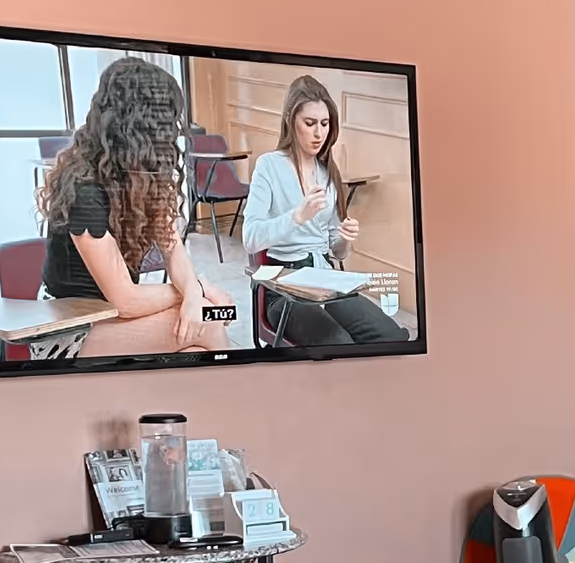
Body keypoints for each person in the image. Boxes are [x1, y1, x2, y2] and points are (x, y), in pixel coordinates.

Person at [39, 58, 233, 357]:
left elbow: (173, 249)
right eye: (167, 122)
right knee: (210, 321)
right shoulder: (85, 191)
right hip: (69, 328)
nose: (172, 134)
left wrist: (193, 291)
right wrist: (198, 290)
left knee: (212, 321)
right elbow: (126, 301)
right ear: (142, 125)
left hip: (111, 317)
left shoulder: (140, 177)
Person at [241, 75, 405, 348]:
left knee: (391, 336)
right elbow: (250, 238)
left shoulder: (328, 172)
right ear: (290, 122)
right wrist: (297, 216)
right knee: (338, 343)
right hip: (282, 290)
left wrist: (345, 238)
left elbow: (336, 252)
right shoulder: (268, 167)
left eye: (325, 124)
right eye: (310, 123)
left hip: (326, 282)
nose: (319, 133)